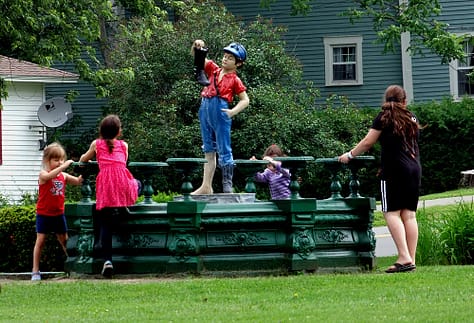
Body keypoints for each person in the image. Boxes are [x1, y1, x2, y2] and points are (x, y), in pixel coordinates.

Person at [338, 85, 422, 273]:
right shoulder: (412, 117)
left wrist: (350, 155)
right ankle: (411, 258)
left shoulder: (383, 118)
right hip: (414, 169)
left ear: (386, 100)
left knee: (391, 212)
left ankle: (403, 257)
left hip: (394, 170)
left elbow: (368, 142)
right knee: (409, 214)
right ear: (404, 100)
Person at [79, 114, 139, 277]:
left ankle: (107, 261)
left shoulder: (96, 144)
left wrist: (89, 162)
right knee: (137, 184)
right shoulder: (124, 145)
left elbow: (83, 159)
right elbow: (123, 163)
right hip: (121, 184)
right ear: (119, 132)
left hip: (105, 185)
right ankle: (123, 204)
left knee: (106, 224)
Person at [190, 39, 250, 194]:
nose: (225, 59)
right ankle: (206, 186)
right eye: (225, 56)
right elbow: (200, 59)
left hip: (220, 109)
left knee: (224, 147)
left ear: (238, 63)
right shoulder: (214, 70)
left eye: (230, 58)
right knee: (208, 148)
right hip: (205, 107)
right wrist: (198, 46)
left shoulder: (235, 80)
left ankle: (227, 184)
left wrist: (232, 112)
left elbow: (245, 100)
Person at [32, 142, 83, 281]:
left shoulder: (64, 176)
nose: (59, 162)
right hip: (44, 214)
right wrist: (64, 166)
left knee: (64, 241)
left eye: (61, 159)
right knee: (40, 241)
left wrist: (83, 168)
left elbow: (78, 181)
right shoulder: (43, 174)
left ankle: (72, 266)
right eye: (56, 160)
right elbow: (49, 177)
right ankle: (35, 271)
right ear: (46, 161)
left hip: (58, 214)